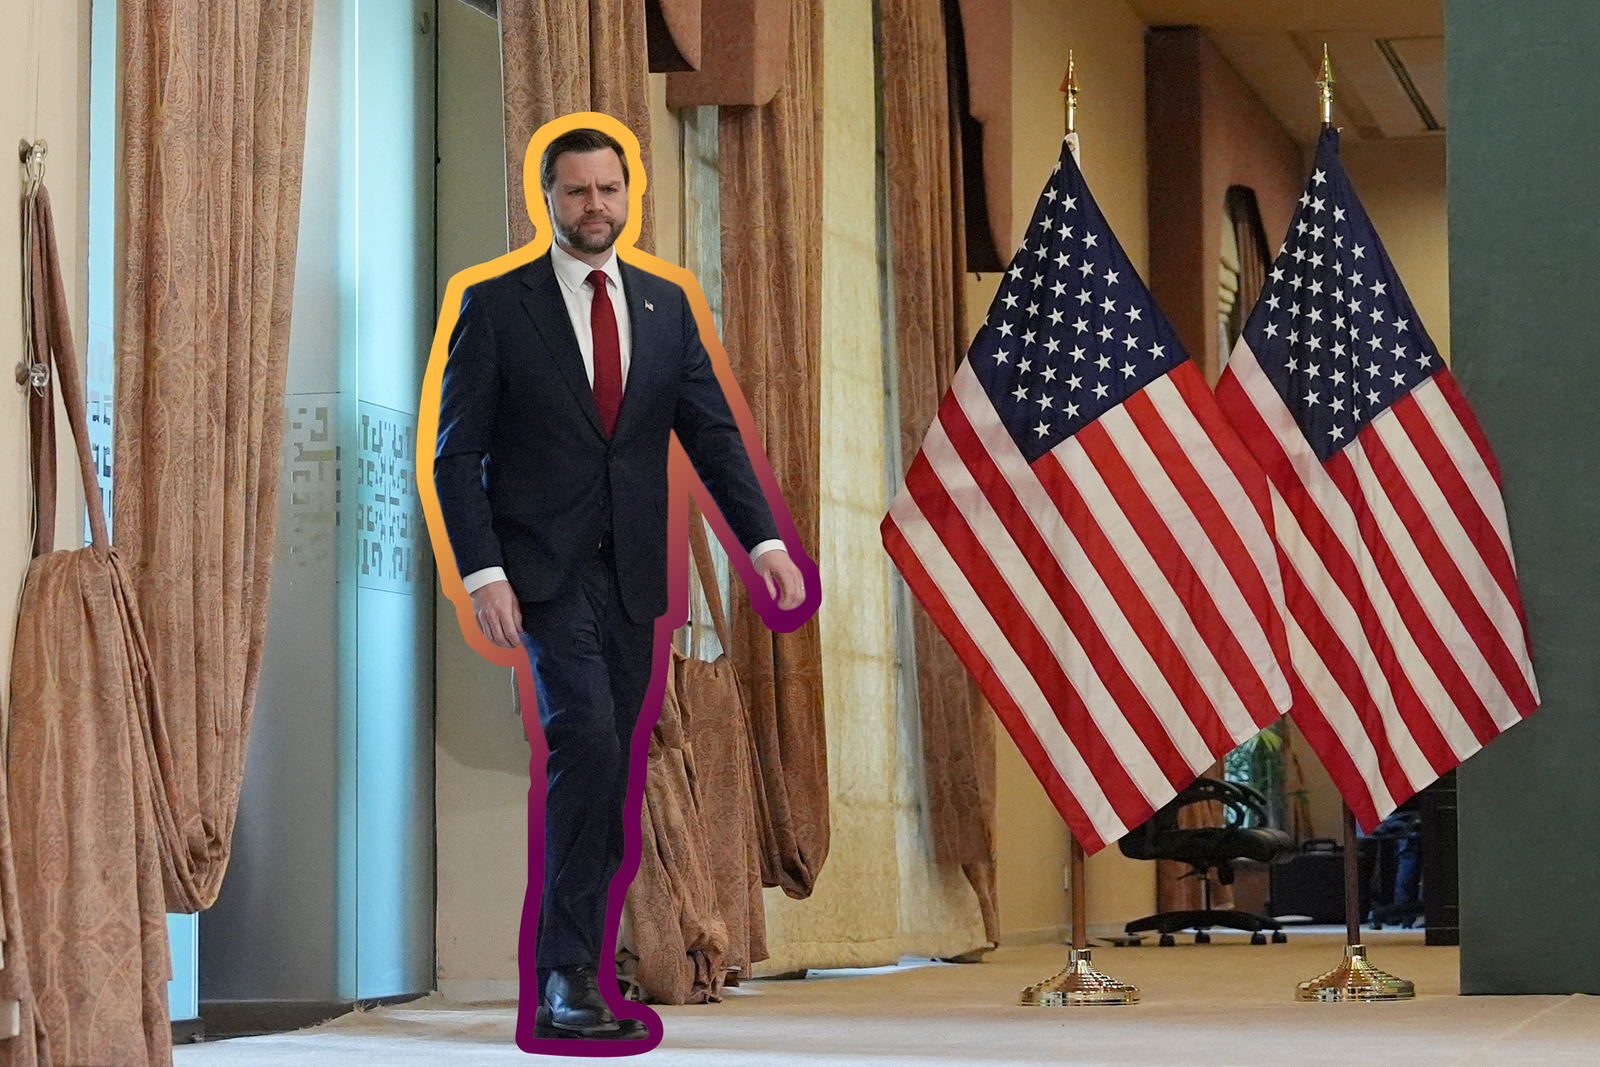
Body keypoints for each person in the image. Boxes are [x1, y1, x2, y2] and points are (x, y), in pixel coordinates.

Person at [433, 126, 806, 1041]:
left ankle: (583, 964)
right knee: (589, 745)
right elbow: (457, 455)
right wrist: (482, 570)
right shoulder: (496, 305)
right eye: (576, 192)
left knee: (614, 768)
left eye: (609, 190)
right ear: (546, 200)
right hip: (542, 575)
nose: (594, 206)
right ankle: (564, 974)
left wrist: (761, 541)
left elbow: (712, 436)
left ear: (627, 194)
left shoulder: (665, 306)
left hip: (637, 574)